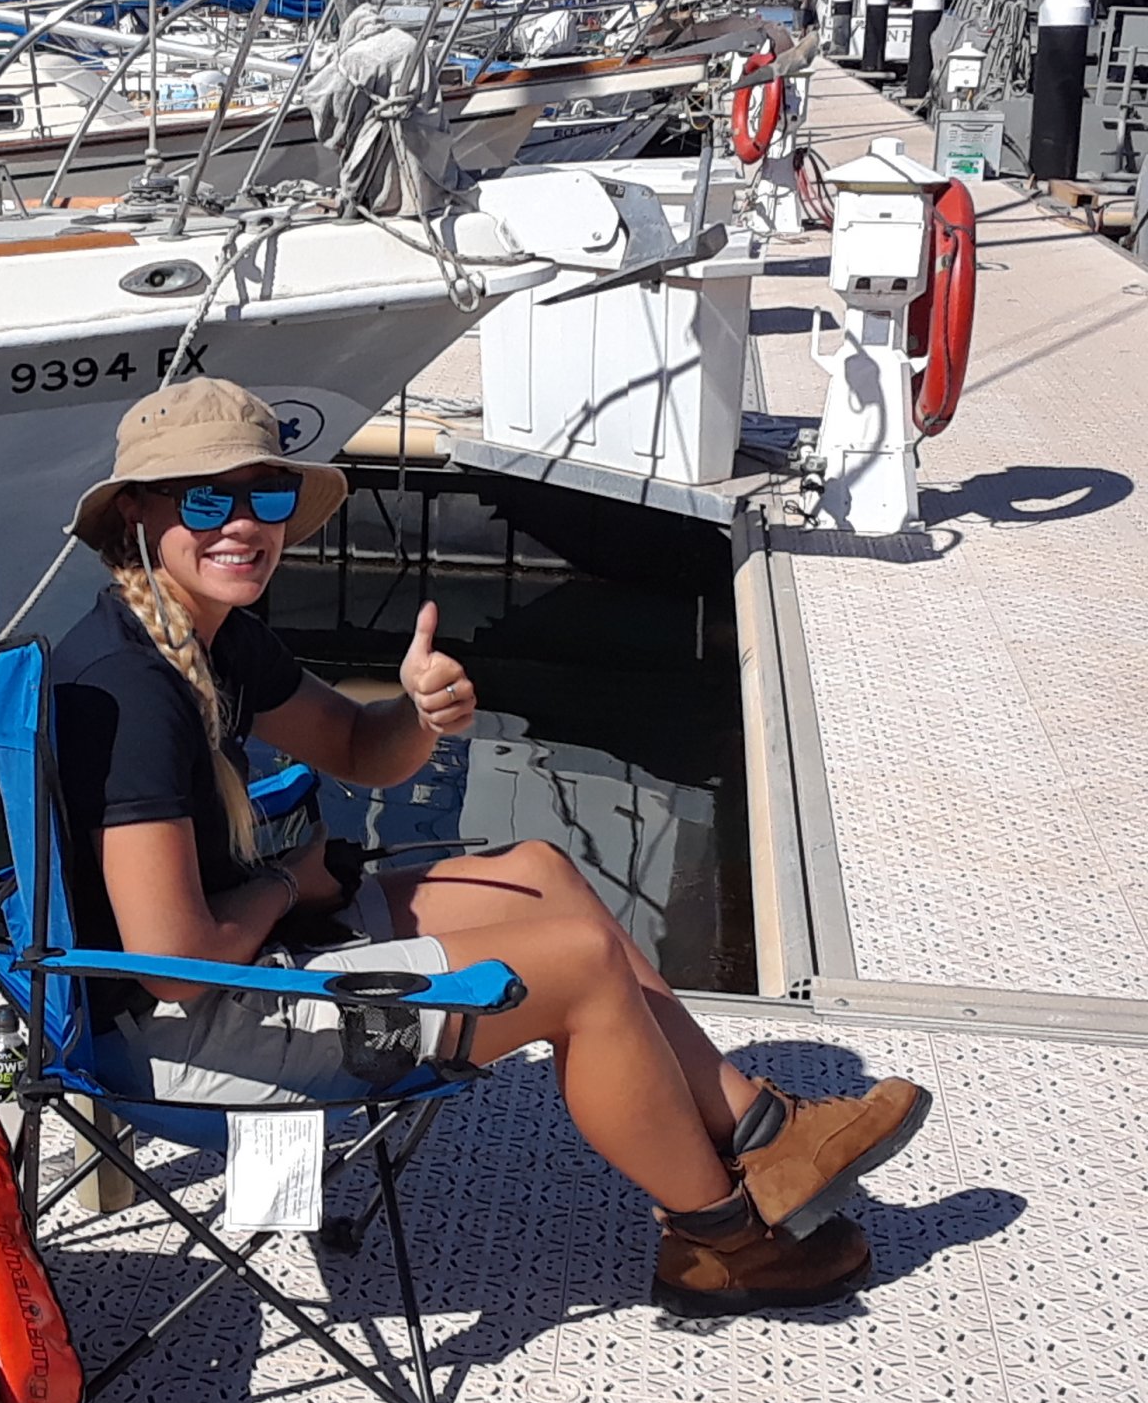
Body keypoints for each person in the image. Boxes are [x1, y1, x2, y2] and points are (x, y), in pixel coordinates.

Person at [50, 378, 932, 1318]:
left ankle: (765, 1134)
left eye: (265, 495)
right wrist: (283, 884)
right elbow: (174, 967)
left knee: (539, 873)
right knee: (582, 968)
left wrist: (420, 712)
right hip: (188, 1032)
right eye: (205, 499)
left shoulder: (208, 637)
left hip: (241, 963)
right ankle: (718, 1242)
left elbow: (359, 749)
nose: (242, 524)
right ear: (137, 513)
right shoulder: (132, 691)